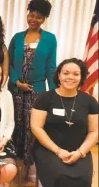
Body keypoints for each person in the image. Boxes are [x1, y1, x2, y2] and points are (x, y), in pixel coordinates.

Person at [8, 0, 57, 177]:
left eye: (38, 17)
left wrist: (54, 93)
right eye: (31, 15)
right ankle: (15, 162)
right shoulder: (17, 37)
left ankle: (30, 164)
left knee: (32, 129)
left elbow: (51, 67)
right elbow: (9, 63)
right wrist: (16, 82)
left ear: (44, 19)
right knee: (15, 126)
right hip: (16, 91)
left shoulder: (50, 39)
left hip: (37, 92)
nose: (33, 19)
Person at [31, 58, 98, 187]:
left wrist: (80, 152)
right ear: (59, 75)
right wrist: (58, 151)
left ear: (81, 77)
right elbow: (36, 127)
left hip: (79, 151)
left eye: (76, 74)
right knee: (60, 176)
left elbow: (94, 131)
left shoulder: (90, 101)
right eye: (66, 73)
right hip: (49, 150)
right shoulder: (44, 98)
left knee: (83, 180)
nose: (70, 77)